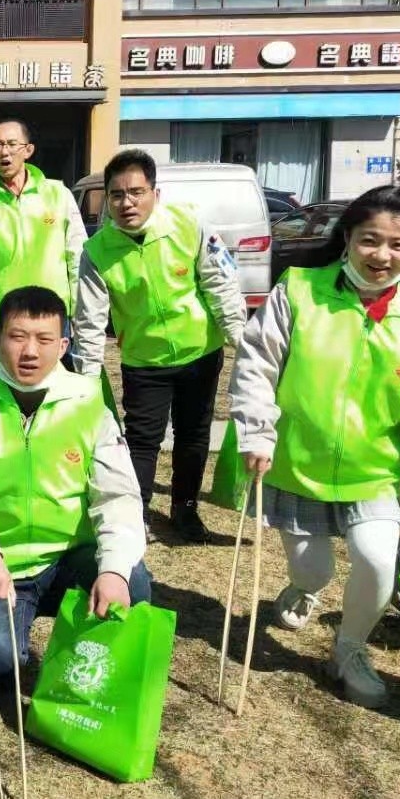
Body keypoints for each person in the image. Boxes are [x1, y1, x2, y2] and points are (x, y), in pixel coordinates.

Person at [229, 178, 400, 709]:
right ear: (348, 238)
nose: (381, 254)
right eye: (369, 240)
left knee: (379, 564)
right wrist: (257, 430)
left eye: (397, 244)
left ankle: (349, 648)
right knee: (314, 569)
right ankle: (302, 588)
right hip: (294, 467)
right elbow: (256, 365)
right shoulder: (300, 290)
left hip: (372, 474)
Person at [0, 286, 149, 680]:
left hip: (71, 557)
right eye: (18, 337)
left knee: (132, 580)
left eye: (45, 339)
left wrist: (114, 570)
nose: (30, 351)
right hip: (2, 565)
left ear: (63, 344)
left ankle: (80, 667)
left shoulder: (89, 403)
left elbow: (118, 494)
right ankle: (3, 637)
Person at [74, 149, 244, 542]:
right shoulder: (97, 251)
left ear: (155, 193)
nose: (127, 202)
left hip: (199, 353)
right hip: (143, 360)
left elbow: (221, 285)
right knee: (142, 440)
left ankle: (185, 510)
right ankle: (137, 514)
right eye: (116, 195)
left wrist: (243, 343)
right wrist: (85, 377)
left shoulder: (190, 225)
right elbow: (89, 320)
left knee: (193, 434)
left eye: (136, 192)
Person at [0, 119, 86, 360]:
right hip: (3, 316)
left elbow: (78, 257)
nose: (4, 152)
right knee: (5, 390)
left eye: (11, 144)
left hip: (54, 314)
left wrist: (82, 313)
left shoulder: (58, 194)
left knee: (55, 388)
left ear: (28, 150)